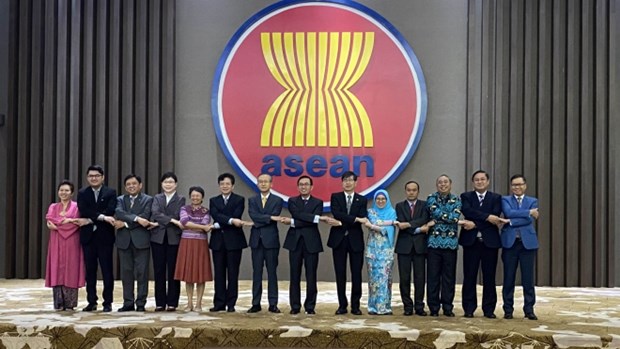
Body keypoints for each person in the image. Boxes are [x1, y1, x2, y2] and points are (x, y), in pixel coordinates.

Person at [459, 170, 506, 318]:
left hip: (489, 243)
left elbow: (496, 216)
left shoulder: (496, 198)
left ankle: (489, 309)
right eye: (477, 180)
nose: (480, 182)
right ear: (473, 182)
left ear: (488, 181)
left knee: (489, 277)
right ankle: (468, 308)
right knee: (470, 276)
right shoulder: (466, 196)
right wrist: (487, 217)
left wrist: (475, 224)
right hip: (471, 242)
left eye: (482, 179)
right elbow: (467, 211)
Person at [281, 175, 331, 315]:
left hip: (312, 243)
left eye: (306, 184)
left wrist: (293, 222)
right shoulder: (292, 201)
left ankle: (310, 306)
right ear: (298, 187)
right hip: (295, 243)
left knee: (311, 276)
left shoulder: (318, 202)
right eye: (301, 184)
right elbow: (298, 214)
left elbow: (303, 219)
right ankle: (295, 306)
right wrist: (316, 218)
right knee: (294, 275)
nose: (304, 186)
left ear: (311, 187)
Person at [426, 174, 474, 317]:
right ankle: (433, 308)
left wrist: (444, 220)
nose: (443, 184)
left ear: (450, 184)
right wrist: (455, 221)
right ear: (436, 185)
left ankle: (448, 307)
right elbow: (438, 213)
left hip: (450, 244)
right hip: (434, 244)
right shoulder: (431, 198)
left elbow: (454, 216)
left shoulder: (457, 199)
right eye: (440, 182)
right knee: (433, 277)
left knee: (449, 278)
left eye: (445, 182)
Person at [208, 173, 251, 313]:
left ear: (232, 186)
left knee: (233, 273)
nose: (224, 186)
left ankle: (231, 303)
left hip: (234, 242)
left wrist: (221, 222)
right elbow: (216, 215)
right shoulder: (213, 200)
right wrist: (231, 221)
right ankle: (219, 303)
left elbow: (236, 214)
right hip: (218, 242)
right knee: (219, 274)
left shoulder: (239, 199)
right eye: (222, 184)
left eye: (227, 184)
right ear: (219, 186)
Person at [77, 165, 117, 312]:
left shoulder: (110, 192)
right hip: (88, 238)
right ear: (87, 177)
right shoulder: (83, 193)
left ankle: (108, 303)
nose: (94, 178)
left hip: (105, 238)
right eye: (91, 176)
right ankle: (91, 301)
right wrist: (101, 217)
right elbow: (84, 210)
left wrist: (90, 219)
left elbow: (111, 210)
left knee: (107, 271)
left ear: (102, 177)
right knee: (90, 271)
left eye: (96, 175)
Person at [327, 171, 368, 315]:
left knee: (356, 274)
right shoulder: (336, 197)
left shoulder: (362, 199)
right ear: (341, 182)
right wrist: (355, 219)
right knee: (340, 274)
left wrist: (348, 219)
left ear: (356, 183)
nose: (348, 182)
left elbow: (363, 216)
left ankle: (355, 306)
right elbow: (337, 213)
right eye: (345, 180)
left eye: (351, 180)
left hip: (356, 240)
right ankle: (342, 305)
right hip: (339, 240)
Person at [501, 174, 540, 320]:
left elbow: (528, 220)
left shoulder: (532, 200)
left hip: (527, 244)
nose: (517, 187)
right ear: (511, 187)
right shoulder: (505, 199)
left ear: (525, 185)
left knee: (528, 279)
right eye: (514, 185)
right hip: (510, 244)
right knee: (508, 277)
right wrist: (528, 212)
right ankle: (508, 309)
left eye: (520, 184)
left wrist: (509, 222)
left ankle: (529, 309)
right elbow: (509, 212)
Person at [114, 174, 154, 312]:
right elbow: (119, 212)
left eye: (134, 183)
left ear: (140, 185)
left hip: (141, 241)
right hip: (124, 242)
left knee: (142, 273)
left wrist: (125, 224)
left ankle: (141, 303)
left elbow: (146, 217)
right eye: (128, 184)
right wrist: (136, 219)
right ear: (125, 187)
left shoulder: (148, 200)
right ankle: (128, 302)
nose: (131, 186)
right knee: (126, 273)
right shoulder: (120, 199)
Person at [45, 180, 86, 311]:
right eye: (61, 190)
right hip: (56, 241)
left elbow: (75, 224)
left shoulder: (77, 207)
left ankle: (70, 303)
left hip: (72, 241)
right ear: (58, 192)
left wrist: (58, 226)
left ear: (72, 193)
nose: (63, 192)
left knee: (71, 268)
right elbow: (50, 219)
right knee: (56, 268)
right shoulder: (53, 206)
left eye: (67, 190)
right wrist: (64, 222)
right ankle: (58, 302)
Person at [247, 174, 284, 313]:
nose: (263, 184)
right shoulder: (252, 200)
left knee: (272, 273)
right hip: (256, 241)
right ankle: (256, 303)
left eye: (266, 182)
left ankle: (273, 303)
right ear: (257, 184)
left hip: (271, 241)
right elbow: (253, 215)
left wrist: (260, 220)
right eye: (260, 182)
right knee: (257, 273)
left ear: (271, 184)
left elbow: (274, 215)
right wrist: (269, 218)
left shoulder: (277, 200)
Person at [394, 181, 432, 316]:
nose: (411, 192)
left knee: (420, 278)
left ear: (418, 191)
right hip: (404, 247)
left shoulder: (425, 205)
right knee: (404, 278)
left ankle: (419, 306)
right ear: (405, 191)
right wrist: (419, 229)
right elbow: (401, 223)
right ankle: (407, 306)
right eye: (409, 190)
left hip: (420, 247)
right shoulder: (399, 206)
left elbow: (424, 219)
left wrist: (409, 225)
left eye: (414, 190)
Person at [151, 172, 186, 312]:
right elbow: (155, 213)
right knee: (159, 271)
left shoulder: (181, 199)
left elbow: (178, 214)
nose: (168, 184)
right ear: (161, 184)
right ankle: (160, 302)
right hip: (157, 238)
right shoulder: (157, 198)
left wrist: (165, 219)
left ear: (176, 184)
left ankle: (172, 302)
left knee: (173, 271)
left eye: (171, 182)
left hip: (174, 238)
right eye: (165, 182)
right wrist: (171, 221)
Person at [175, 186, 213, 312]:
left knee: (200, 274)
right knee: (188, 275)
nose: (195, 197)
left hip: (200, 244)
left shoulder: (206, 211)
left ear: (202, 197)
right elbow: (185, 222)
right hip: (187, 243)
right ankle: (189, 303)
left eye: (198, 195)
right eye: (193, 195)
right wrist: (201, 227)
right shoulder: (184, 208)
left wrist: (191, 226)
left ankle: (199, 304)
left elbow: (204, 223)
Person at [364, 190, 397, 315]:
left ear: (387, 200)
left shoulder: (392, 212)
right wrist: (391, 223)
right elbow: (375, 222)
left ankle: (384, 307)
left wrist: (373, 226)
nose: (381, 201)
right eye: (378, 199)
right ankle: (373, 307)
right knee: (373, 279)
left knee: (385, 278)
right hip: (372, 251)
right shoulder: (371, 211)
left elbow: (374, 224)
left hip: (387, 250)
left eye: (383, 199)